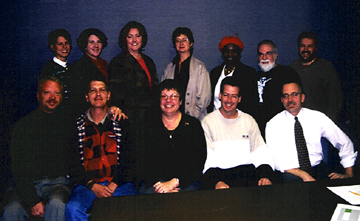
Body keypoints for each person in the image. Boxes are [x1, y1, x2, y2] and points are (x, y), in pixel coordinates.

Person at [65, 77, 137, 220]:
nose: (98, 94)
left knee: (134, 207)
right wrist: (92, 185)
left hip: (119, 186)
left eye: (102, 90)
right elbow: (72, 164)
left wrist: (114, 184)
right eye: (93, 91)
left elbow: (131, 160)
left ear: (108, 95)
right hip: (88, 187)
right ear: (86, 97)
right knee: (72, 209)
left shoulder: (122, 123)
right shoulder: (76, 126)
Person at [2, 77, 72, 220]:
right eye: (47, 93)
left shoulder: (68, 124)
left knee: (57, 204)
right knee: (12, 209)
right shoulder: (23, 126)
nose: (52, 97)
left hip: (57, 184)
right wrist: (33, 200)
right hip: (26, 184)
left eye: (57, 93)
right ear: (38, 95)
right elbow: (18, 169)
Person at [265, 81, 357, 182]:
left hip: (318, 169)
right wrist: (303, 175)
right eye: (286, 96)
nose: (290, 100)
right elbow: (275, 160)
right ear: (282, 100)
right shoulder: (273, 124)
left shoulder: (317, 117)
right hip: (290, 173)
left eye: (294, 95)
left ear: (302, 98)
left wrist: (348, 174)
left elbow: (344, 142)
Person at [107, 21, 158, 182]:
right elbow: (114, 88)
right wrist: (115, 106)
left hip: (149, 116)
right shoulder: (118, 61)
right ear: (125, 39)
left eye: (138, 35)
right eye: (130, 36)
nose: (134, 39)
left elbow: (154, 89)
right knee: (132, 159)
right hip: (130, 118)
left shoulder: (148, 60)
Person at [202, 77, 273, 190]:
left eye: (234, 96)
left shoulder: (248, 120)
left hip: (247, 177)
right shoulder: (208, 122)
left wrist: (264, 176)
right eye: (226, 95)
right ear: (219, 96)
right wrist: (216, 182)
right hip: (220, 178)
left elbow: (260, 153)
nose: (229, 100)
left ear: (239, 99)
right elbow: (207, 161)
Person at [139, 79, 207, 194]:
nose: (168, 100)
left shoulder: (193, 125)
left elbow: (198, 160)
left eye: (173, 96)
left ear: (181, 101)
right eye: (163, 96)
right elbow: (143, 161)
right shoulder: (148, 125)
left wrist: (175, 182)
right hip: (156, 183)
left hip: (186, 182)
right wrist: (161, 186)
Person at [289, 32, 342, 122]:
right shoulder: (292, 67)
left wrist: (327, 124)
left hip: (319, 122)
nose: (306, 49)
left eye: (310, 46)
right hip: (297, 122)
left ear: (316, 48)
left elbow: (334, 101)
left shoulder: (326, 67)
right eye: (302, 46)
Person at [162, 27, 211, 120]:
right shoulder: (169, 68)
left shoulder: (200, 67)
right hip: (172, 119)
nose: (181, 43)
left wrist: (189, 118)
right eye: (178, 40)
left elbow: (204, 98)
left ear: (191, 43)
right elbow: (163, 94)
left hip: (194, 119)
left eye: (185, 40)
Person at [255, 39, 301, 137]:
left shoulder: (287, 73)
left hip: (282, 128)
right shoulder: (254, 76)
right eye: (261, 54)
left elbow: (296, 100)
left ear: (275, 56)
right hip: (259, 130)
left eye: (268, 53)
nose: (264, 58)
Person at [207, 36, 258, 118]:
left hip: (237, 121)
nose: (230, 54)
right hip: (215, 120)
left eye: (234, 51)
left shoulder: (248, 73)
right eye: (227, 51)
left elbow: (252, 104)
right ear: (222, 53)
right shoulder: (215, 72)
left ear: (239, 54)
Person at [71, 28, 110, 117]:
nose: (96, 45)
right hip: (89, 114)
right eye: (91, 42)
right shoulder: (79, 66)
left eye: (98, 42)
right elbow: (78, 98)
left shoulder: (104, 64)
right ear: (85, 46)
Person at [38, 29, 73, 109]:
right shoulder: (48, 70)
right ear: (53, 47)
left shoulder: (72, 68)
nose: (64, 47)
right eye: (60, 44)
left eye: (66, 43)